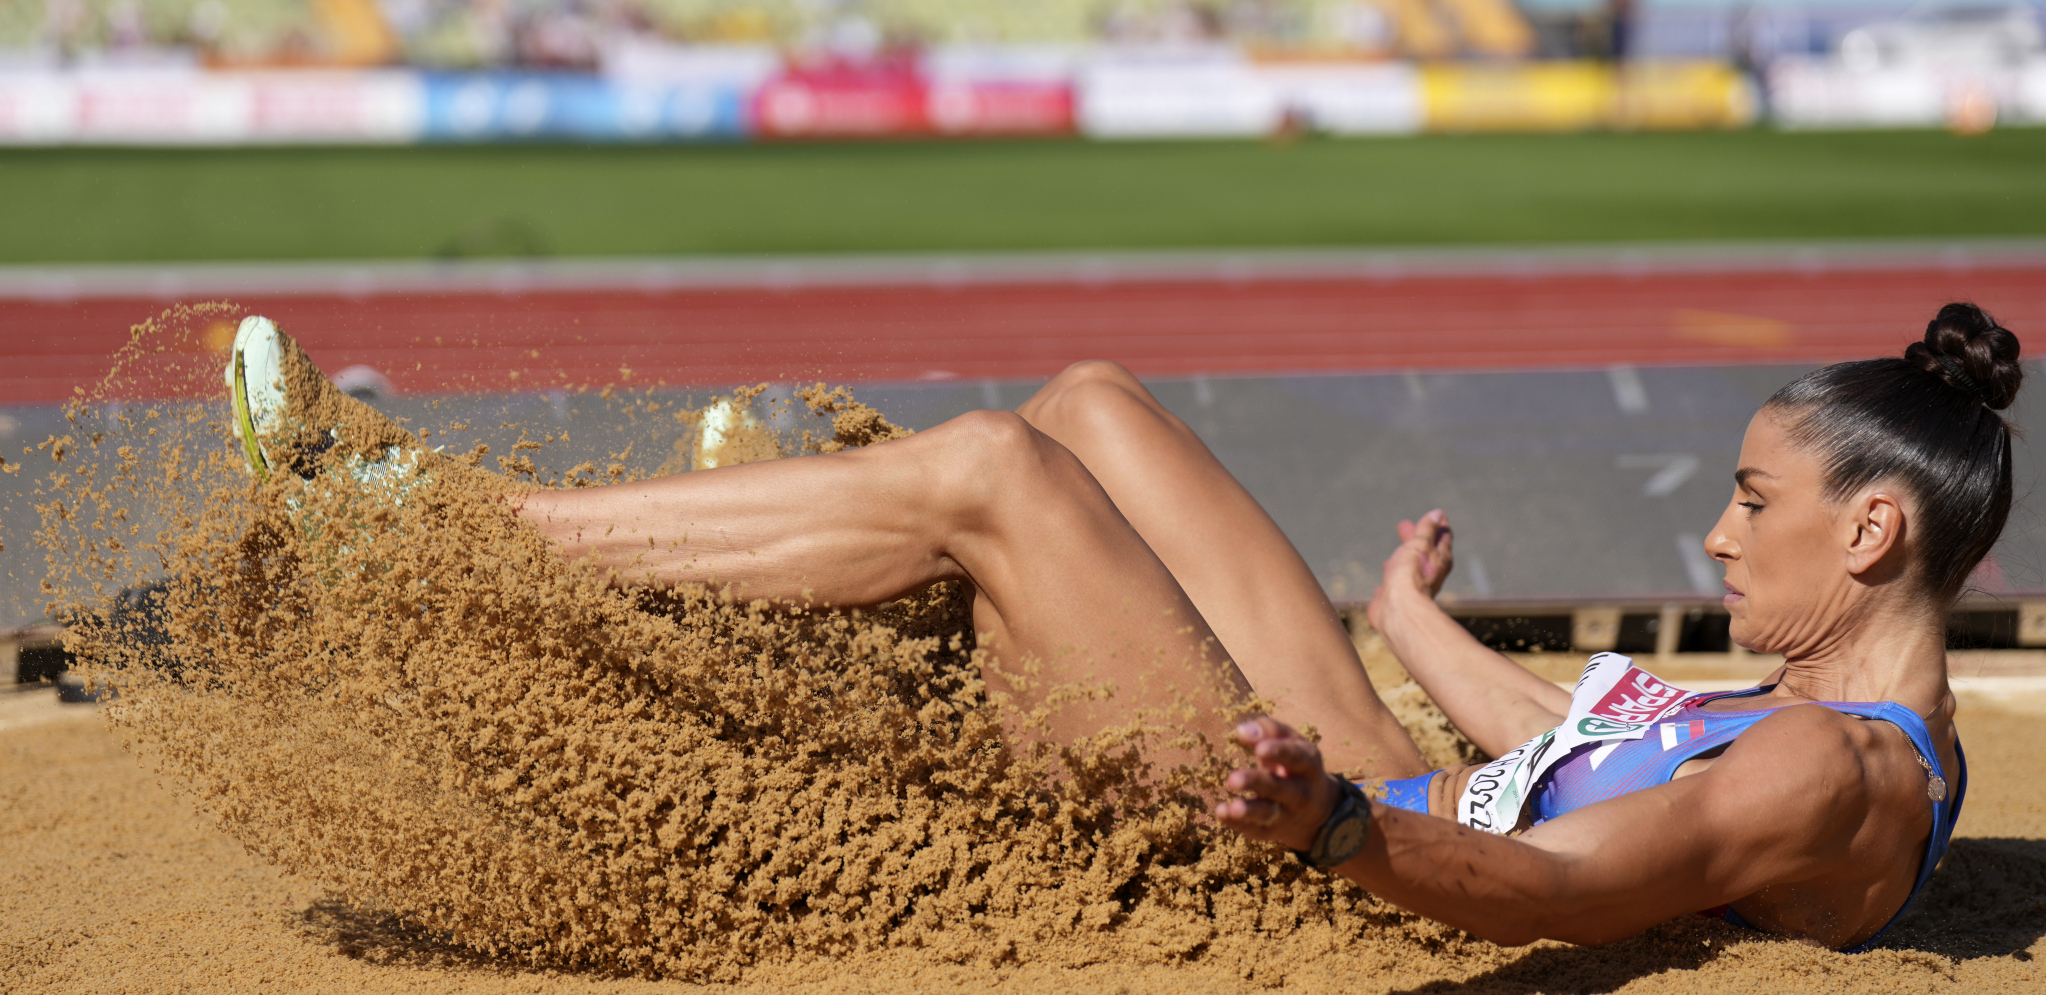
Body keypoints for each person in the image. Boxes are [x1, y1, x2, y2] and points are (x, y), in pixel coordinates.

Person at [223, 301, 2017, 953]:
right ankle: (802, 577)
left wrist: (1322, 822)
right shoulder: (1773, 714)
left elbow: (1554, 886)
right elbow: (1567, 748)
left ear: (1870, 531)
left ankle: (422, 530)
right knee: (1090, 404)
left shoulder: (1820, 773)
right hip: (1392, 795)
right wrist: (1404, 612)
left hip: (1351, 882)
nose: (1714, 531)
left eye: (1751, 503)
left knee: (999, 472)